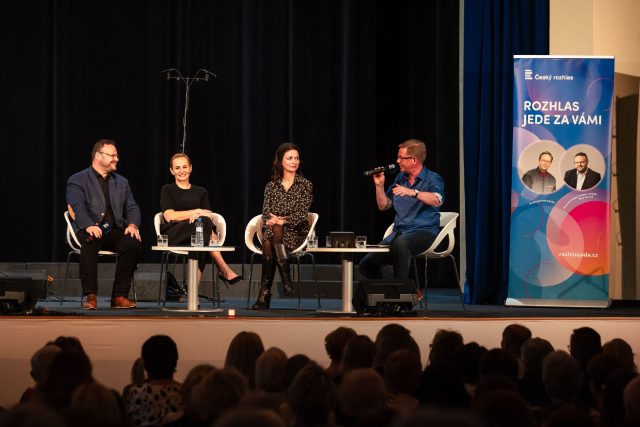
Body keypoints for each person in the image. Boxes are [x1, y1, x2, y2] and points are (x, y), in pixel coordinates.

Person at [66, 139, 141, 309]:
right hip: (89, 228)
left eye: (117, 155)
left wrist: (132, 225)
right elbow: (77, 206)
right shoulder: (78, 180)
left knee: (133, 244)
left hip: (113, 230)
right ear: (98, 156)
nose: (116, 159)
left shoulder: (122, 182)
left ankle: (119, 296)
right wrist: (88, 225)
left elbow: (132, 206)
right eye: (112, 155)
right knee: (90, 240)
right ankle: (90, 295)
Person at [359, 139, 443, 282]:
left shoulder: (432, 179)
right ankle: (387, 294)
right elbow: (384, 206)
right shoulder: (400, 178)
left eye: (401, 157)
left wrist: (413, 192)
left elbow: (436, 200)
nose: (397, 161)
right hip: (398, 234)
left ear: (414, 159)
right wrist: (379, 186)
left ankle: (400, 294)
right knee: (366, 264)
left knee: (401, 244)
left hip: (424, 232)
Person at [160, 153, 242, 290]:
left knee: (200, 232)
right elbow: (169, 216)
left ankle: (193, 290)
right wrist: (195, 212)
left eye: (185, 167)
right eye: (177, 168)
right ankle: (222, 269)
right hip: (174, 234)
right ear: (172, 171)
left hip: (197, 234)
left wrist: (199, 216)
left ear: (191, 168)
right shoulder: (167, 189)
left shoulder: (201, 191)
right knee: (201, 229)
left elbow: (207, 216)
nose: (182, 171)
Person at [251, 142, 313, 310]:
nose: (294, 162)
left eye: (296, 158)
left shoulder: (305, 185)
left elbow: (301, 214)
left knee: (269, 239)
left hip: (296, 231)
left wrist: (283, 221)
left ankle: (264, 294)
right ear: (280, 161)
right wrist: (271, 220)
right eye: (289, 158)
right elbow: (265, 212)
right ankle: (286, 280)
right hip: (275, 231)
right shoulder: (271, 186)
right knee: (271, 235)